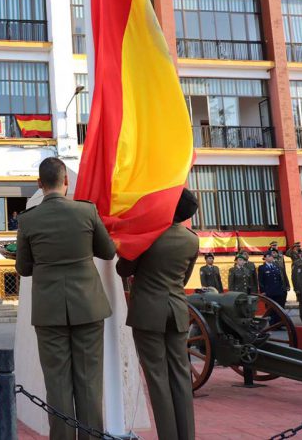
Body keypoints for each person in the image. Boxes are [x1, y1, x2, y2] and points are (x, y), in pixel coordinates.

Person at [15, 157, 116, 440]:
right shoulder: (86, 212)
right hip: (88, 305)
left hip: (49, 310)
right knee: (89, 382)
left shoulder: (28, 219)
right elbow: (108, 252)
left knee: (57, 383)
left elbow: (23, 269)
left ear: (39, 184)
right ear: (66, 182)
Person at [117, 188, 199, 440]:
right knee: (180, 375)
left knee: (157, 378)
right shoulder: (191, 239)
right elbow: (183, 278)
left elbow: (123, 268)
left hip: (148, 312)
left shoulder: (149, 236)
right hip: (176, 309)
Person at [258, 251, 290, 325]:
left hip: (278, 291)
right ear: (265, 257)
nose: (272, 257)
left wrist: (282, 289)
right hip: (269, 292)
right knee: (271, 309)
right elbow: (261, 281)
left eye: (272, 256)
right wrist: (263, 291)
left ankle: (279, 323)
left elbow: (280, 279)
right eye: (270, 256)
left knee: (279, 308)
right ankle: (272, 324)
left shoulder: (276, 266)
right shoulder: (262, 268)